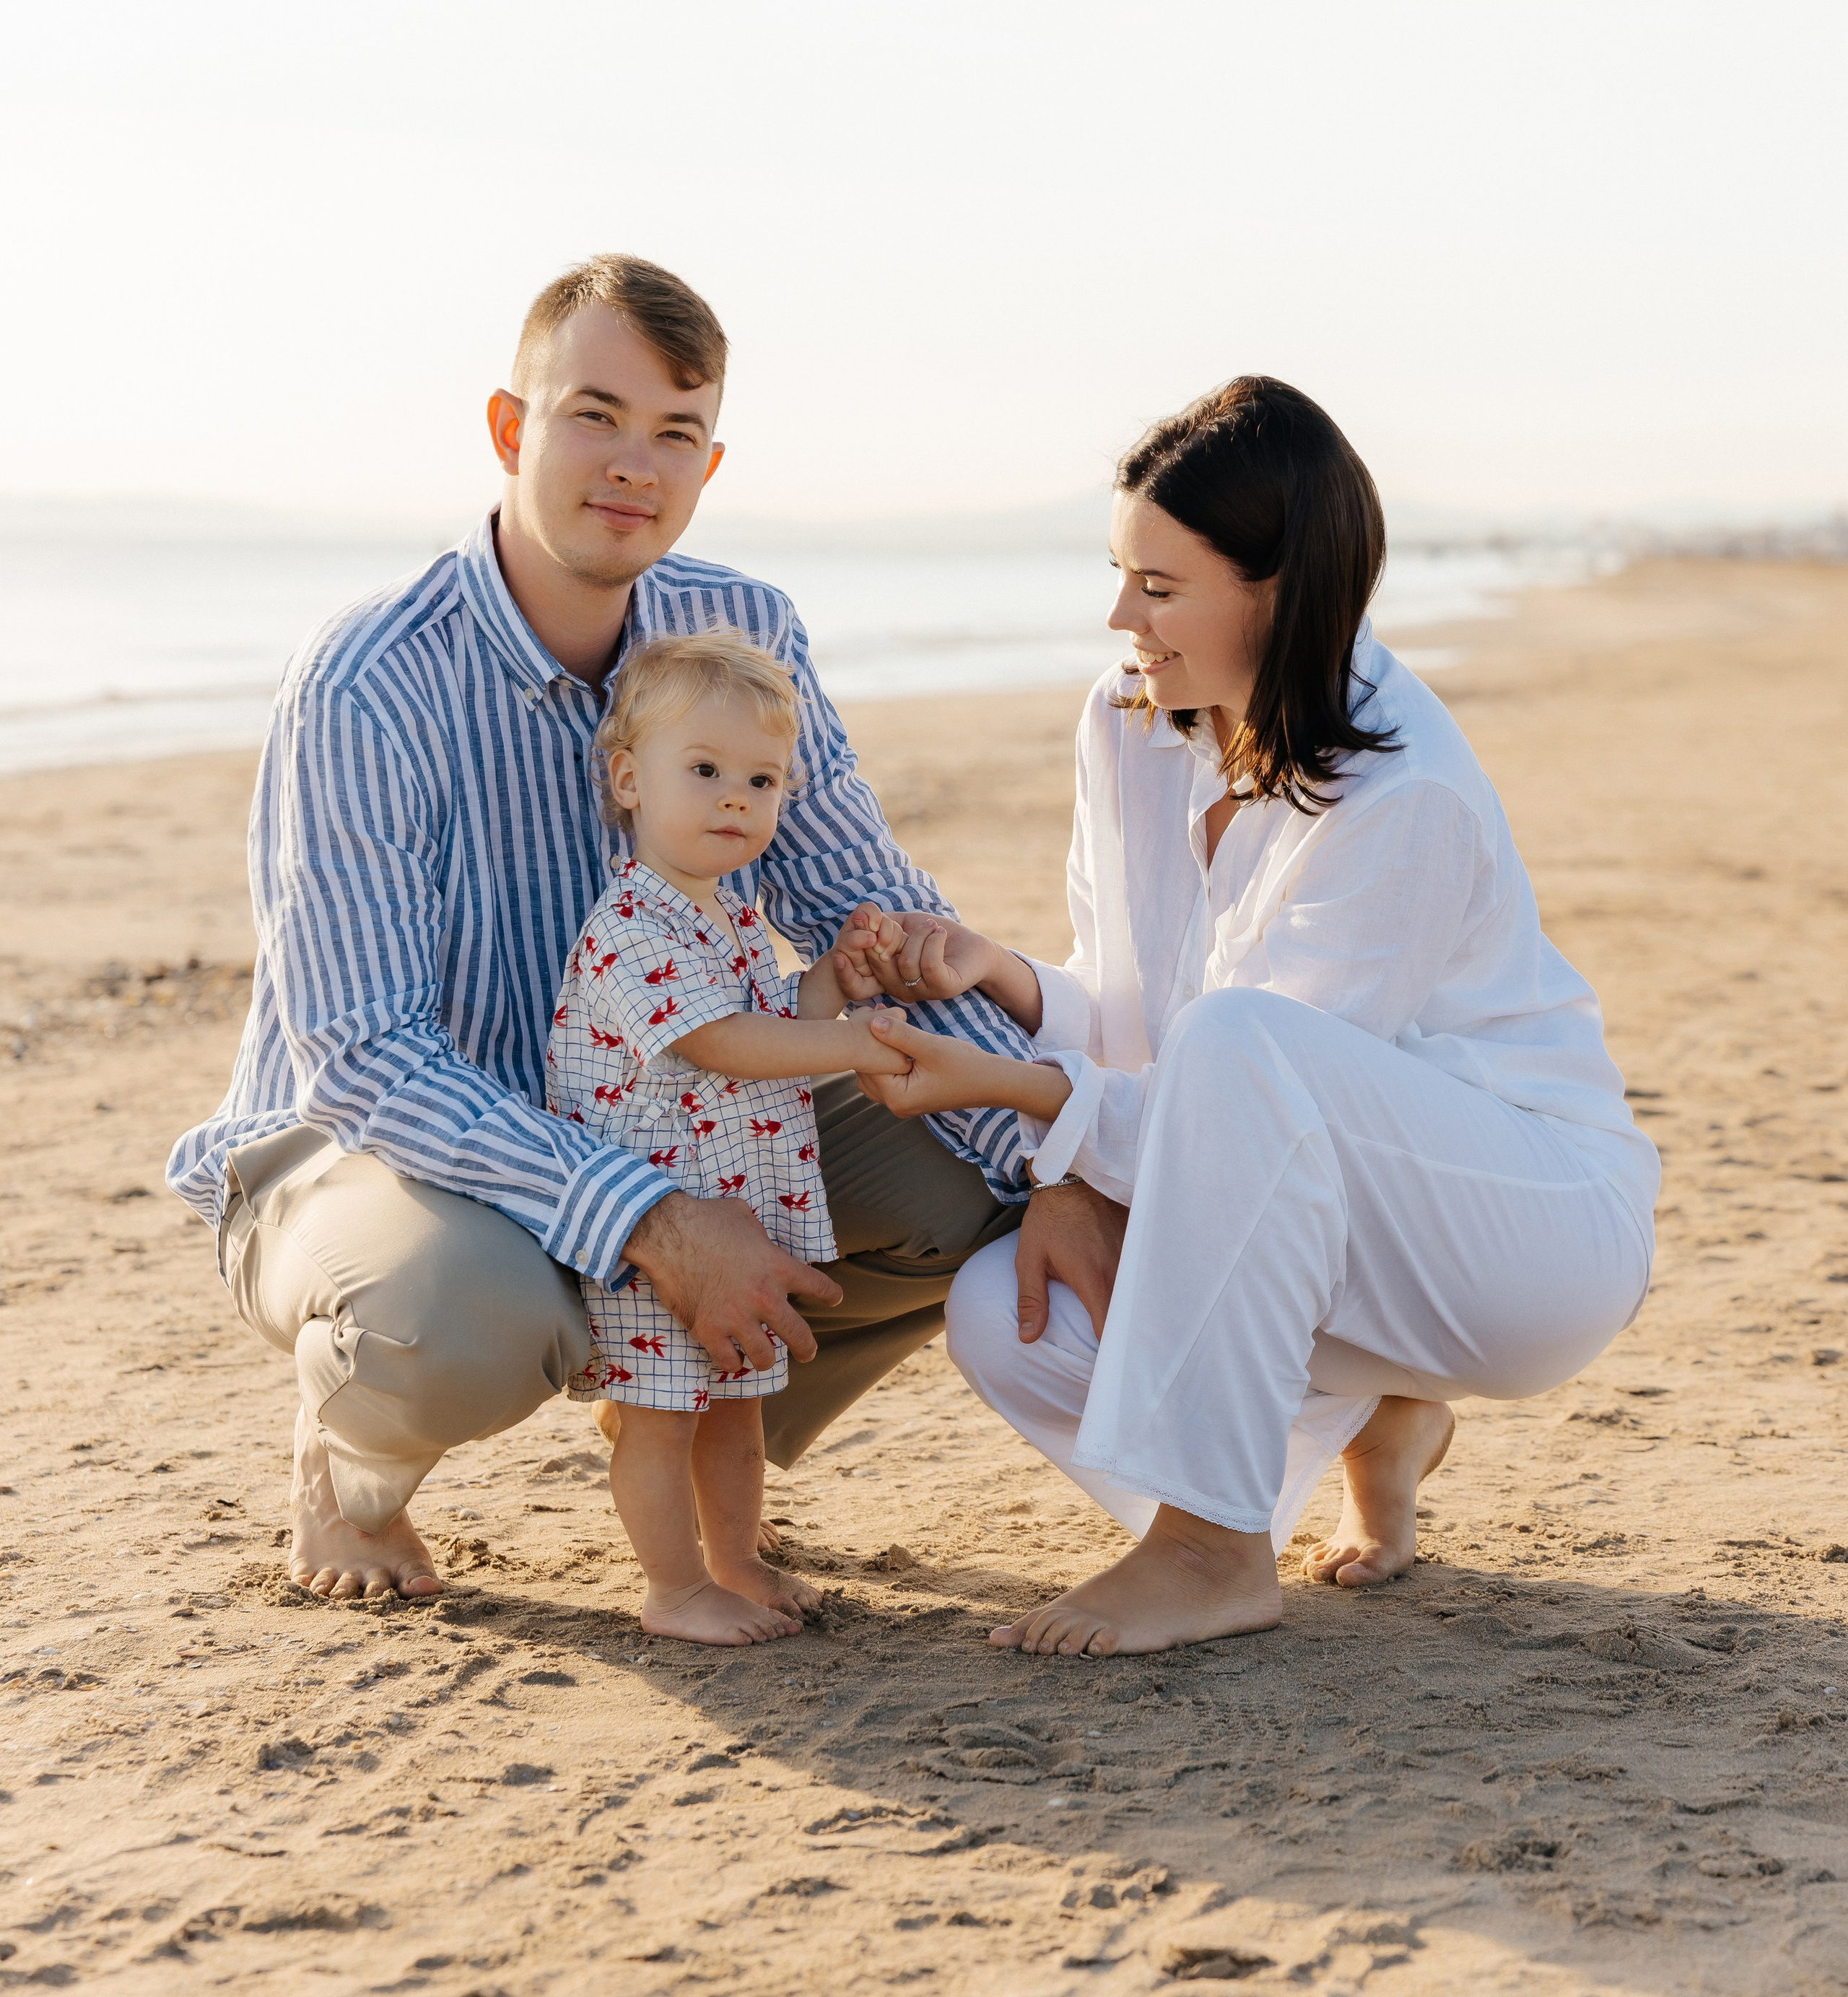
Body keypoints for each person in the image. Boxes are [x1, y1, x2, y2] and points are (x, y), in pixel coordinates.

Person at [165, 253, 1121, 1602]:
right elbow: (364, 1058)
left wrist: (1059, 1161)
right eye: (594, 415)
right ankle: (351, 1467)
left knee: (968, 1187)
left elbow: (880, 920)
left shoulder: (741, 631)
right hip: (381, 1154)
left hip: (671, 1103)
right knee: (464, 1320)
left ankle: (688, 1405)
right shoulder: (369, 681)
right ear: (512, 429)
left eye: (675, 432)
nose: (633, 464)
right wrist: (652, 1217)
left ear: (709, 463)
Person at [843, 375, 1662, 1657]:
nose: (1122, 617)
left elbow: (1238, 1081)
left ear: (1277, 592)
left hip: (1529, 1227)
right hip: (1328, 1216)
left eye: (1160, 587)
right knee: (1008, 1316)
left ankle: (1210, 1548)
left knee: (1235, 1046)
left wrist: (1027, 1106)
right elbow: (1138, 1009)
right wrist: (999, 976)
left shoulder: (1403, 790)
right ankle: (1381, 1420)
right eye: (1121, 573)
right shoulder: (1127, 721)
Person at [548, 627, 921, 1647]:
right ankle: (672, 1586)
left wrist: (835, 979)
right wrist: (851, 1046)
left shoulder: (729, 915)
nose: (733, 799)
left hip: (739, 1221)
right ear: (627, 779)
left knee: (737, 1412)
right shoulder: (630, 925)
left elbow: (773, 1006)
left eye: (759, 781)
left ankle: (735, 1557)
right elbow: (725, 1041)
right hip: (659, 1236)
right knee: (662, 1421)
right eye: (704, 770)